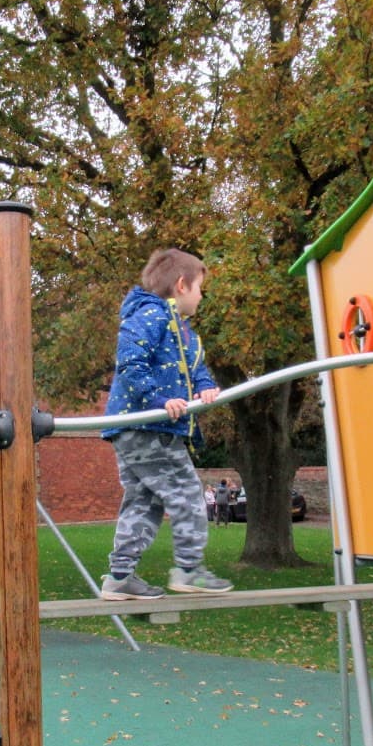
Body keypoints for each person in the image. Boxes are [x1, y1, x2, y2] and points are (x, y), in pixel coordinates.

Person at [100, 248, 234, 599]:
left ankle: (119, 576)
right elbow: (131, 366)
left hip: (148, 430)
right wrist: (159, 400)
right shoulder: (149, 317)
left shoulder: (186, 335)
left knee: (144, 502)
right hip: (148, 428)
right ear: (181, 285)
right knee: (188, 494)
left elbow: (198, 372)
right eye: (200, 288)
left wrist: (205, 389)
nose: (202, 296)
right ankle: (189, 570)